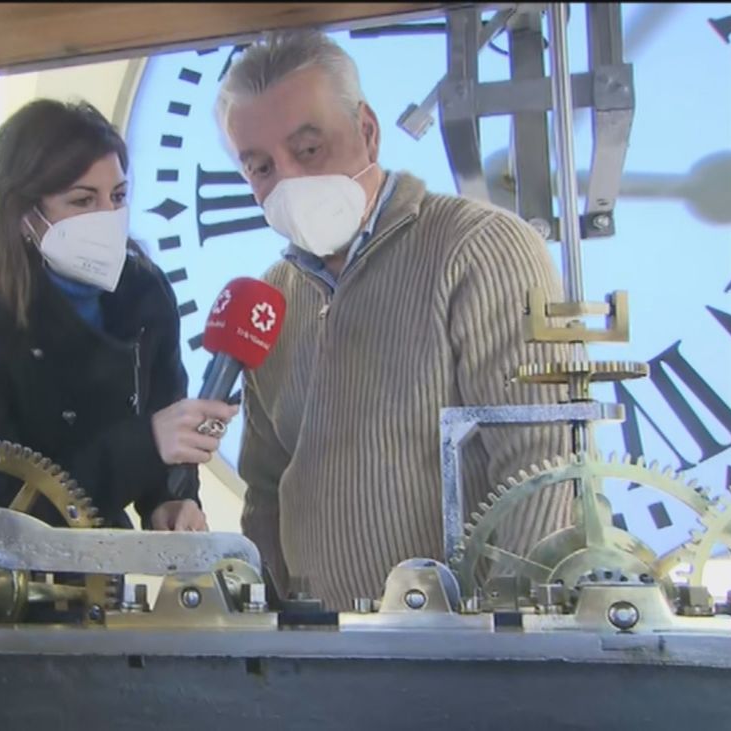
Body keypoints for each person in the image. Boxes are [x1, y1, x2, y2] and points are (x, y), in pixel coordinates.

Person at [215, 30, 574, 608]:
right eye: (260, 167)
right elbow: (265, 491)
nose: (288, 181)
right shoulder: (270, 297)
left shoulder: (479, 247)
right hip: (323, 649)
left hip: (466, 645)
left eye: (309, 150)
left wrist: (517, 634)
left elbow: (542, 462)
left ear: (367, 130)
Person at [0, 99, 238, 532]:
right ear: (25, 215)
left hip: (111, 561)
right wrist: (147, 443)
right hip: (0, 569)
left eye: (117, 196)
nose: (109, 218)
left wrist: (172, 501)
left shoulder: (145, 291)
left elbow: (164, 422)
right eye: (83, 200)